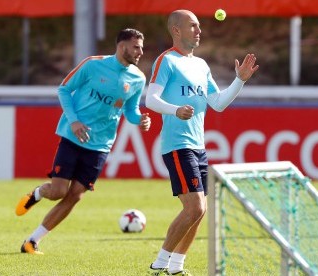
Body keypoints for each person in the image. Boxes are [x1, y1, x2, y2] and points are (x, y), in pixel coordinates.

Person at [15, 28, 151, 254]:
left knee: (75, 196)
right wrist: (74, 121)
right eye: (136, 47)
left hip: (100, 145)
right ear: (122, 46)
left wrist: (140, 120)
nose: (140, 52)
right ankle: (37, 194)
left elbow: (130, 109)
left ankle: (32, 241)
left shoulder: (138, 78)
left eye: (142, 47)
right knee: (59, 191)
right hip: (73, 136)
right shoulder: (92, 64)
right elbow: (64, 89)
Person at [145, 9, 259, 275]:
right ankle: (159, 264)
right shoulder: (167, 61)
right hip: (177, 144)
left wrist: (239, 81)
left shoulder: (201, 65)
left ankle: (176, 265)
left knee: (201, 209)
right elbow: (150, 99)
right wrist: (175, 109)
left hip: (198, 146)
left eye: (198, 26)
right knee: (195, 206)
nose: (199, 30)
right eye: (193, 26)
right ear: (176, 30)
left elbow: (217, 103)